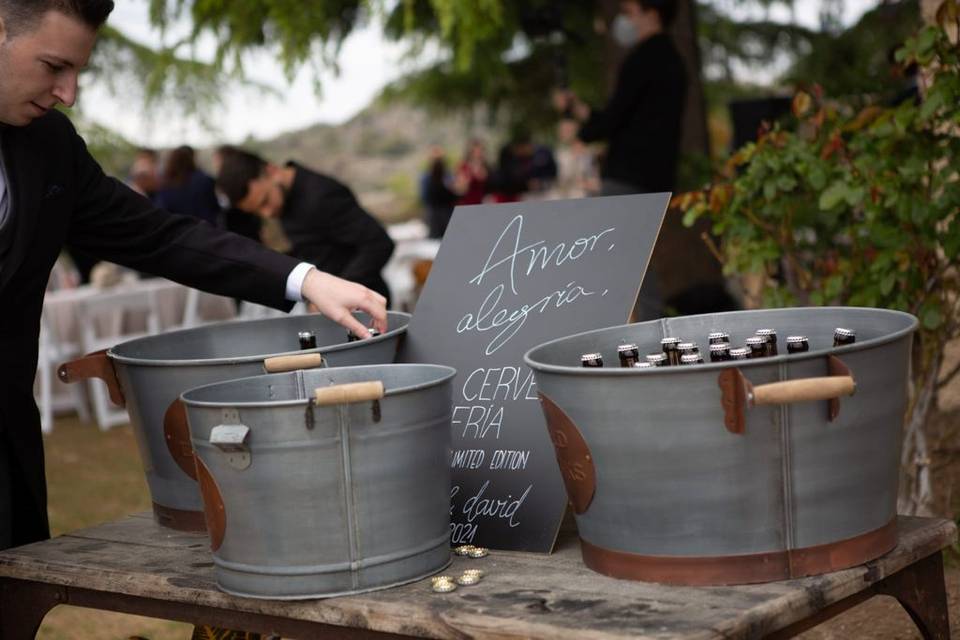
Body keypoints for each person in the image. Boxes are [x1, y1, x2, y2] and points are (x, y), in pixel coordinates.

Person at [0, 0, 387, 554]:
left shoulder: (50, 147)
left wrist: (306, 279)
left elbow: (161, 236)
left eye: (79, 72)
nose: (69, 94)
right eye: (54, 66)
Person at [217, 149, 395, 303]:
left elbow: (378, 243)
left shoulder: (321, 196)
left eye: (265, 201)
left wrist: (333, 291)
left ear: (272, 171)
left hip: (364, 305)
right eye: (257, 211)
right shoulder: (283, 199)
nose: (267, 214)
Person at [555, 0, 687, 195]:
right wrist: (580, 109)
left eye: (629, 12)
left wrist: (579, 132)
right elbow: (631, 115)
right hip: (659, 178)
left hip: (629, 178)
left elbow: (614, 119)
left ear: (652, 14)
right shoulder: (673, 59)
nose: (624, 20)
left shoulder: (643, 59)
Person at [155, 144, 220, 224]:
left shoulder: (165, 184)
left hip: (177, 231)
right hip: (204, 230)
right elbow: (214, 208)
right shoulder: (205, 180)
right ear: (192, 159)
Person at [423, 155, 458, 238]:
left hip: (435, 216)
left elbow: (426, 198)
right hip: (445, 215)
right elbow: (453, 196)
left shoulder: (429, 182)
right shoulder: (446, 182)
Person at [453, 138, 489, 206]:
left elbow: (484, 180)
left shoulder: (484, 166)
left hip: (480, 204)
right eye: (476, 151)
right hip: (466, 204)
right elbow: (459, 188)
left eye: (481, 150)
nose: (479, 153)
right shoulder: (463, 166)